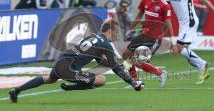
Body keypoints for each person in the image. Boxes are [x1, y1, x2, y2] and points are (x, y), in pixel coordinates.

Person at [8, 19, 144, 103]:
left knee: (49, 79)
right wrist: (133, 83)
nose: (116, 35)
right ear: (109, 31)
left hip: (62, 61)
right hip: (70, 70)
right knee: (102, 80)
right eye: (115, 32)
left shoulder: (92, 36)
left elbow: (99, 60)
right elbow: (115, 68)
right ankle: (70, 87)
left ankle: (17, 91)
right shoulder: (105, 45)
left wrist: (115, 63)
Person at [122, 0, 178, 88]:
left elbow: (169, 24)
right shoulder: (145, 0)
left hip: (154, 38)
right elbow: (139, 16)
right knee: (126, 56)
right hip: (143, 35)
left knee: (138, 61)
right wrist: (130, 29)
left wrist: (173, 43)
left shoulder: (165, 6)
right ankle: (135, 81)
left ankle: (160, 73)